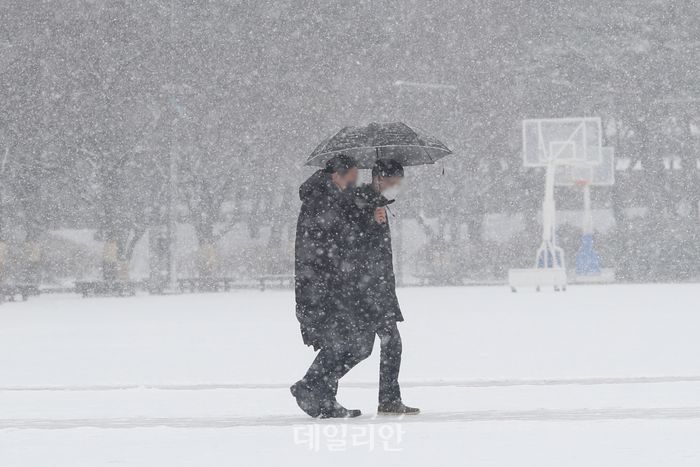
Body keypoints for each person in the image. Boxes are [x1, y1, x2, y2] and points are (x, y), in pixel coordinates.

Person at [291, 154, 373, 418]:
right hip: (324, 286)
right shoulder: (321, 200)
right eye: (352, 175)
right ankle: (313, 389)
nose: (355, 180)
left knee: (353, 343)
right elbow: (329, 244)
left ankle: (318, 391)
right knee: (346, 342)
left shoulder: (333, 198)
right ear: (338, 174)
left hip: (333, 284)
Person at [349, 159, 419, 415]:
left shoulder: (379, 204)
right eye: (391, 182)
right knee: (382, 343)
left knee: (363, 347)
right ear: (378, 178)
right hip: (368, 289)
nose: (395, 188)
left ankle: (316, 382)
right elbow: (349, 242)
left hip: (378, 287)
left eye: (398, 183)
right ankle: (315, 383)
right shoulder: (362, 203)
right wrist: (369, 219)